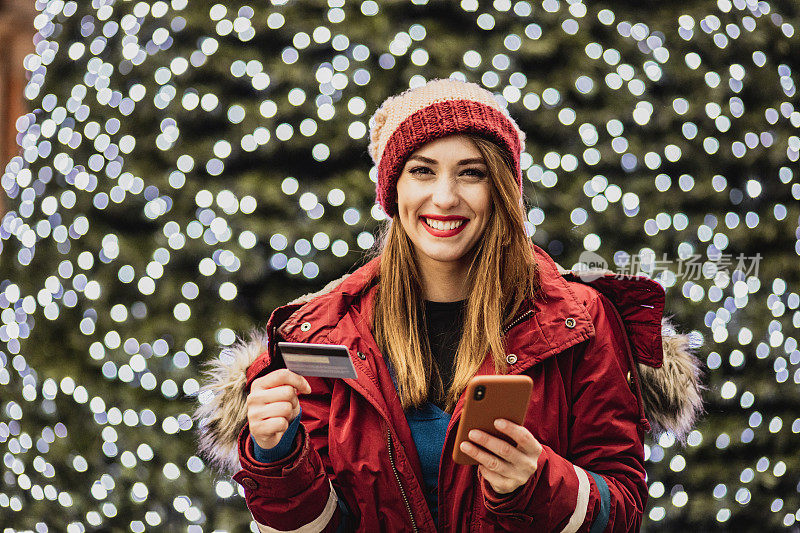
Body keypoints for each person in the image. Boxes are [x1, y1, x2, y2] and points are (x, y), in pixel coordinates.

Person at [195, 78, 704, 532]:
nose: (444, 197)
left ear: (501, 190)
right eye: (422, 171)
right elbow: (323, 526)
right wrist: (276, 454)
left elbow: (624, 509)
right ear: (392, 191)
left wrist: (540, 482)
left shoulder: (581, 320)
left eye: (470, 172)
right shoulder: (324, 331)